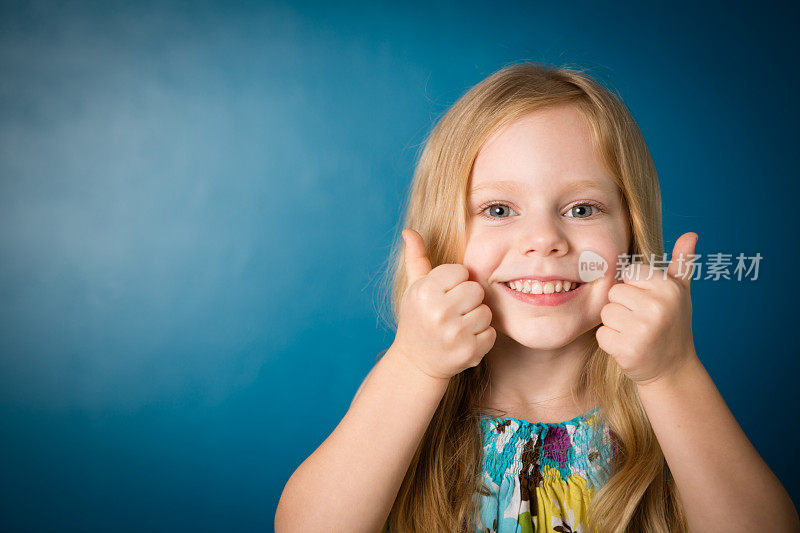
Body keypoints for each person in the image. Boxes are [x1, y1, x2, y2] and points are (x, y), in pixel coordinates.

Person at [275, 62, 799, 532]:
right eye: (499, 210)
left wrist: (673, 373)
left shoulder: (669, 410)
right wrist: (414, 365)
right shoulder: (408, 403)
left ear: (632, 239)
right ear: (442, 237)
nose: (545, 239)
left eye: (582, 209)